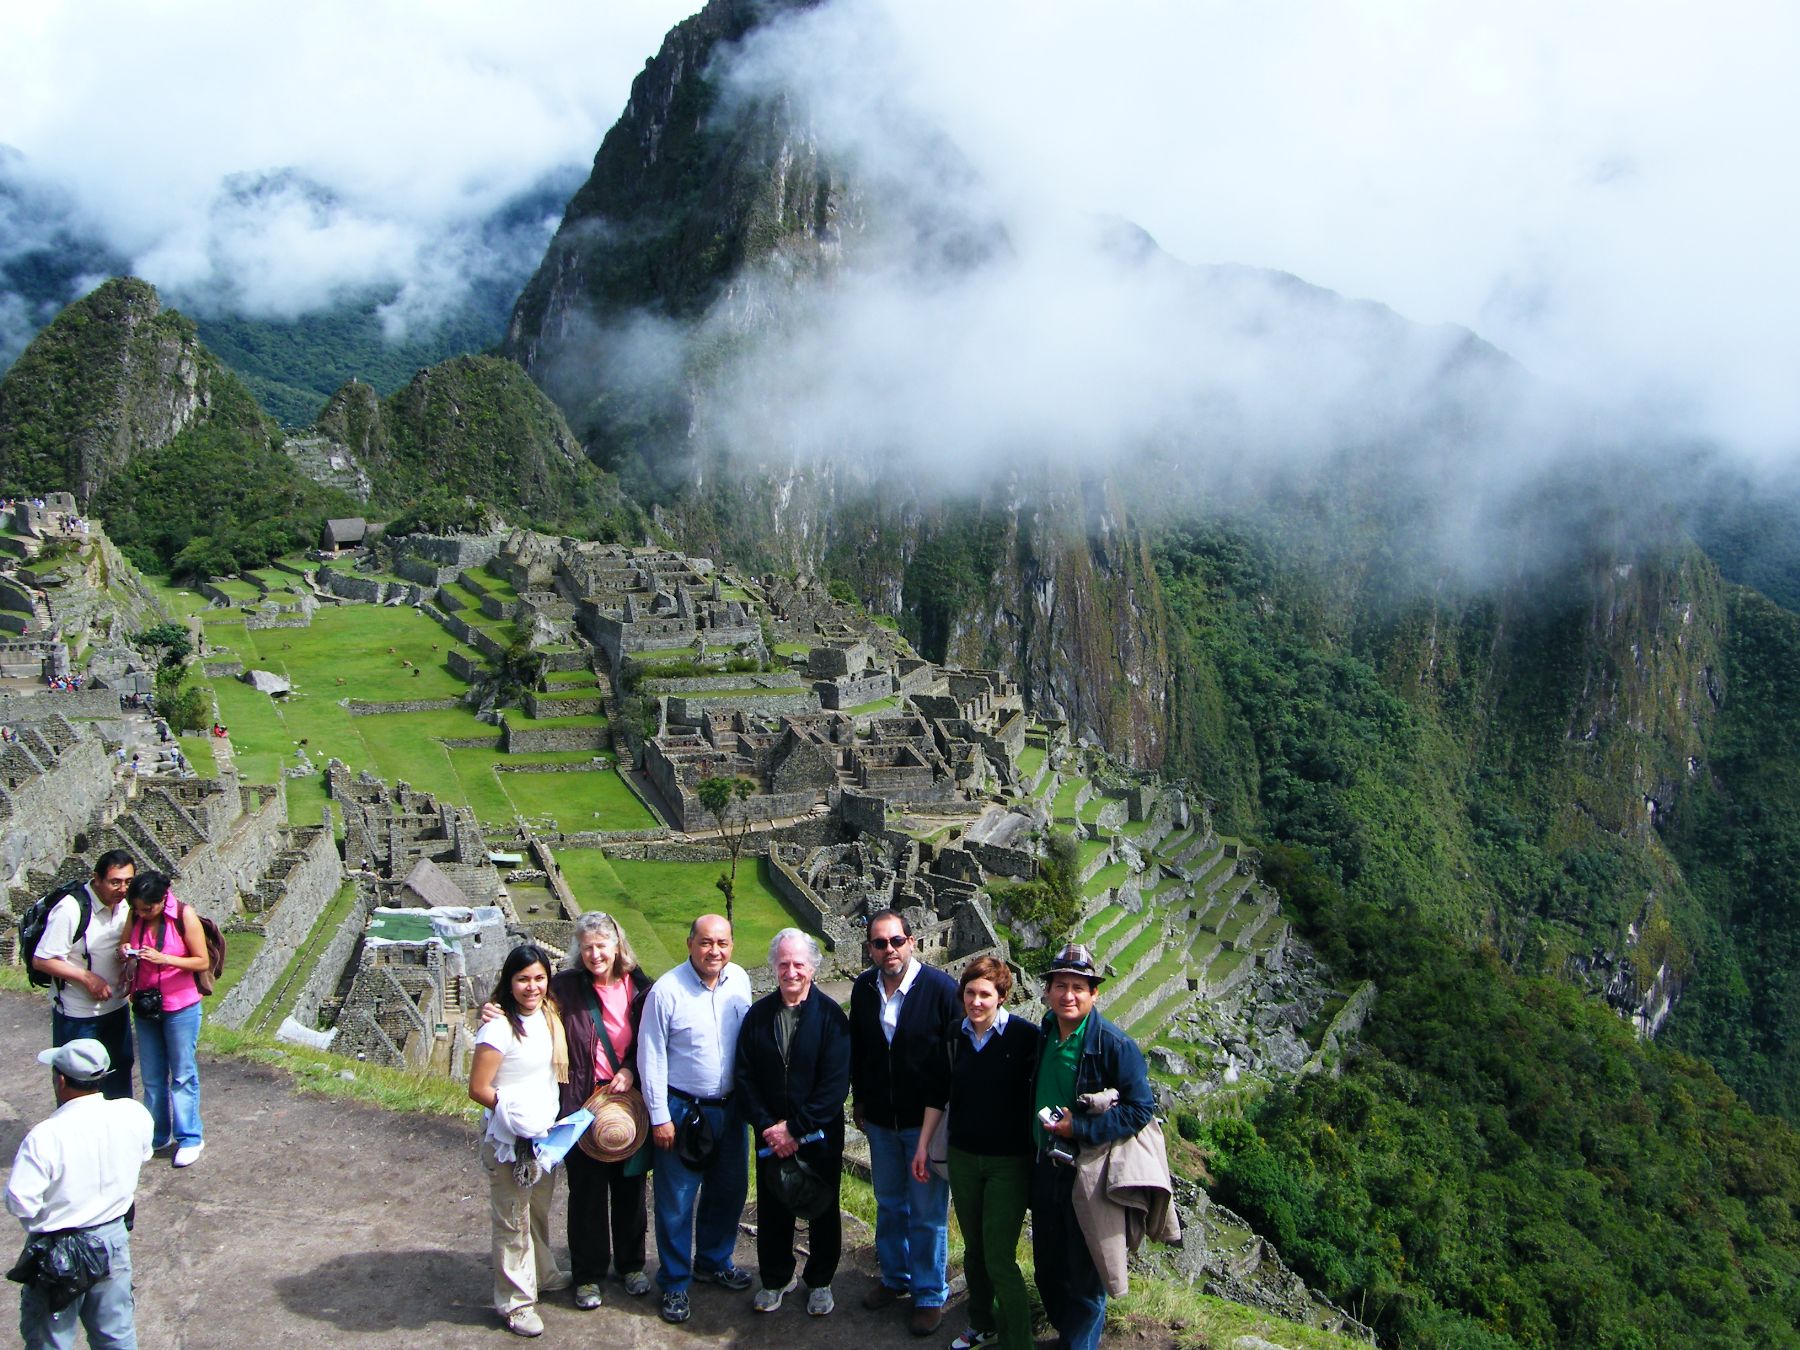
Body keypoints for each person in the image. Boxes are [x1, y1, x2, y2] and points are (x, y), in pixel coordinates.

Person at [911, 955, 1041, 1350]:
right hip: (964, 1158)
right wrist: (922, 1147)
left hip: (1008, 1163)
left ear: (1002, 996)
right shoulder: (954, 1035)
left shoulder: (1024, 1037)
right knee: (974, 1250)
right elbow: (937, 1094)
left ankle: (1019, 1342)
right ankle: (981, 1324)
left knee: (999, 1255)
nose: (977, 1001)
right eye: (970, 992)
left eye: (986, 993)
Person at [1029, 943, 1155, 1350]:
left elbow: (1140, 1110)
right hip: (1045, 1169)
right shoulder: (1044, 1033)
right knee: (1048, 1269)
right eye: (1061, 985)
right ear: (1047, 991)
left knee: (1085, 1276)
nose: (1069, 994)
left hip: (1088, 1174)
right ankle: (1069, 1336)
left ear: (1094, 993)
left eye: (1078, 987)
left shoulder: (1115, 1046)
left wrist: (1079, 1127)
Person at [636, 914, 754, 1325]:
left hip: (731, 1108)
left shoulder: (739, 980)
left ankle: (712, 1259)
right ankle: (674, 1282)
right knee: (676, 1201)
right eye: (705, 943)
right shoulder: (666, 991)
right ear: (690, 944)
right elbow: (650, 1056)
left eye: (722, 943)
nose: (714, 951)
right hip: (683, 1111)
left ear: (731, 946)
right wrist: (658, 1116)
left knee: (730, 1189)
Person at [847, 908, 958, 1335]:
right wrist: (859, 1099)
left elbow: (953, 1058)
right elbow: (860, 1047)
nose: (889, 949)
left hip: (923, 1122)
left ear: (912, 942)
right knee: (890, 1203)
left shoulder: (940, 990)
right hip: (879, 1120)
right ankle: (895, 1278)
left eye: (896, 941)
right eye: (880, 943)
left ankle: (930, 1294)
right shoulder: (863, 989)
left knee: (928, 1212)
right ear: (870, 949)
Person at [6, 1038, 154, 1350]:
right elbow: (143, 1155)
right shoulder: (133, 1114)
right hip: (112, 1240)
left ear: (60, 1080)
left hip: (57, 1250)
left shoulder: (46, 1136)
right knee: (116, 1337)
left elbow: (21, 1201)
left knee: (50, 1340)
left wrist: (47, 1217)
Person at [735, 929, 850, 1317]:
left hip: (818, 1137)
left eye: (799, 964)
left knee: (822, 1209)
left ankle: (819, 1281)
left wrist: (794, 1129)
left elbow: (834, 1086)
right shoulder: (758, 1016)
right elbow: (745, 1076)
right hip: (770, 1136)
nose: (791, 971)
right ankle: (775, 1277)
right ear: (774, 967)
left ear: (813, 968)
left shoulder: (831, 1018)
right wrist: (769, 1127)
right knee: (772, 1208)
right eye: (783, 964)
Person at [548, 913, 653, 1309]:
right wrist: (495, 1010)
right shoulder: (564, 988)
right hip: (581, 1104)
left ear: (616, 946)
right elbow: (524, 1000)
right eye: (587, 947)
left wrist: (629, 1068)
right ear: (580, 949)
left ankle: (631, 1266)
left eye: (601, 946)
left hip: (627, 1105)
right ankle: (588, 1275)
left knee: (630, 1190)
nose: (595, 954)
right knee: (587, 1194)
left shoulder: (640, 987)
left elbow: (651, 1041)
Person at [468, 944, 572, 1338]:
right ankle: (516, 1302)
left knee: (538, 1212)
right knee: (512, 1220)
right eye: (523, 979)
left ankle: (541, 1273)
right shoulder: (498, 1027)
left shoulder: (547, 1015)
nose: (532, 987)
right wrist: (516, 1116)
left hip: (542, 1136)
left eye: (539, 978)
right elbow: (478, 1088)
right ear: (509, 983)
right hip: (512, 1141)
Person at [31, 852, 138, 1101]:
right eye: (115, 882)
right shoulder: (70, 909)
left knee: (120, 1073)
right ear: (96, 879)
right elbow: (43, 959)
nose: (122, 889)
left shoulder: (127, 905)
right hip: (78, 1014)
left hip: (116, 1008)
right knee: (79, 1082)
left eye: (128, 882)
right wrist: (87, 977)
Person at [120, 872, 208, 1168]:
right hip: (146, 1005)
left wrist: (165, 959)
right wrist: (126, 952)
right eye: (138, 909)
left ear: (162, 900)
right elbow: (124, 945)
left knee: (183, 1073)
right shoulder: (136, 916)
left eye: (148, 908)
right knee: (153, 1076)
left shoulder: (184, 916)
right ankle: (158, 1136)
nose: (143, 913)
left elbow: (201, 960)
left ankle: (190, 1137)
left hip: (179, 1004)